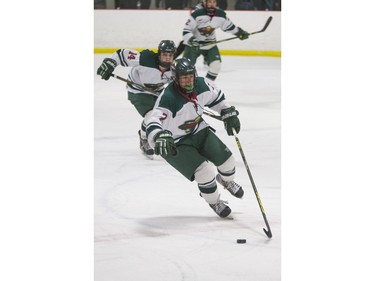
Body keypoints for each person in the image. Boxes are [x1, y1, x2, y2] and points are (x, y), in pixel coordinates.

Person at [146, 58, 244, 218]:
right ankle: (214, 201)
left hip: (198, 130)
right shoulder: (169, 97)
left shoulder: (202, 84)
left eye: (190, 76)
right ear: (175, 79)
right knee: (205, 172)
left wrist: (227, 111)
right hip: (176, 143)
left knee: (228, 162)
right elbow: (153, 121)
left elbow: (217, 99)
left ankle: (226, 180)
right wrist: (159, 135)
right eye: (184, 78)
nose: (188, 81)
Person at [96, 40, 177, 159]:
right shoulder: (145, 59)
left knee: (166, 115)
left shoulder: (175, 69)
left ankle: (148, 133)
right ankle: (144, 138)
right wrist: (111, 63)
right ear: (159, 54)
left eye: (170, 55)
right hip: (137, 92)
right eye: (164, 55)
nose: (166, 58)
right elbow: (121, 54)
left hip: (157, 92)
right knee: (152, 115)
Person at [182, 0, 250, 81]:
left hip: (210, 45)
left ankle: (206, 85)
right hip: (193, 46)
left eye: (214, 2)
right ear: (205, 3)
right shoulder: (197, 13)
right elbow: (186, 30)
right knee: (185, 68)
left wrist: (239, 33)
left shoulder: (220, 14)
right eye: (210, 2)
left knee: (216, 66)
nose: (212, 4)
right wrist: (191, 40)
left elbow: (229, 27)